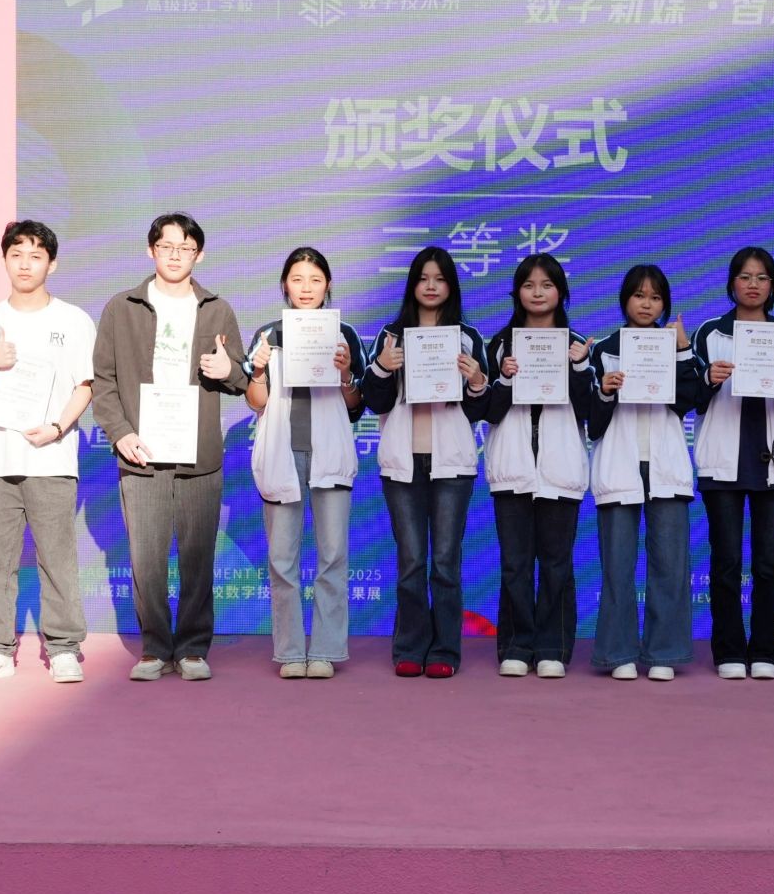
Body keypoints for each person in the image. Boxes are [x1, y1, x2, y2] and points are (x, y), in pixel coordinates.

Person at [91, 212, 249, 682]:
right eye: (166, 246)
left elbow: (242, 379)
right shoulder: (122, 307)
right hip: (141, 452)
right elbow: (103, 380)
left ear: (199, 254)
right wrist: (121, 432)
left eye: (185, 248)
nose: (175, 255)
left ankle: (194, 648)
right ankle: (155, 648)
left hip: (200, 454)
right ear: (151, 250)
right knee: (146, 558)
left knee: (198, 557)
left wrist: (229, 371)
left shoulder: (217, 309)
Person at [0, 221, 96, 685]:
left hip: (52, 457)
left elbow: (86, 384)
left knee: (57, 558)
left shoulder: (72, 320)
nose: (25, 264)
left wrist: (56, 428)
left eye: (36, 255)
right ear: (5, 260)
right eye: (16, 254)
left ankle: (64, 648)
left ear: (51, 264)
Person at [359, 246, 492, 679]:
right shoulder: (391, 335)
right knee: (412, 561)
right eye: (423, 278)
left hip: (451, 464)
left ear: (451, 285)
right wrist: (383, 367)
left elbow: (481, 409)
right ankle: (409, 648)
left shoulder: (467, 337)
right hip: (403, 462)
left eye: (439, 278)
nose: (431, 286)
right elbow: (373, 401)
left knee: (446, 563)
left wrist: (476, 381)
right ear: (412, 284)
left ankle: (445, 651)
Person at [243, 247, 367, 680]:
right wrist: (258, 371)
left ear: (328, 285)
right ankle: (291, 651)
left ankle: (327, 650)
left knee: (332, 556)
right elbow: (256, 402)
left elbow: (356, 406)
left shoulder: (344, 334)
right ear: (285, 285)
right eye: (298, 279)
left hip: (329, 454)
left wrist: (346, 374)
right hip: (283, 453)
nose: (307, 288)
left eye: (315, 280)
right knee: (282, 558)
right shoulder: (268, 334)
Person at [690, 247, 774, 680]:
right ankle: (728, 651)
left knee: (768, 564)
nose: (753, 284)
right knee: (725, 564)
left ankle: (764, 651)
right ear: (732, 283)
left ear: (772, 285)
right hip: (722, 462)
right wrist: (708, 379)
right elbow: (688, 398)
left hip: (772, 464)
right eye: (745, 276)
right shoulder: (710, 333)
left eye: (761, 277)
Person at [482, 255, 596, 679]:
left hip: (559, 467)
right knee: (514, 564)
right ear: (517, 292)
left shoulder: (577, 345)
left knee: (556, 563)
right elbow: (488, 411)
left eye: (547, 285)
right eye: (529, 285)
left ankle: (553, 648)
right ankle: (516, 645)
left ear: (561, 292)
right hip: (512, 467)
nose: (537, 292)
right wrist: (505, 378)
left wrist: (579, 368)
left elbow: (590, 412)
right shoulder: (500, 344)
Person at [588, 265, 700, 682]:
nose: (646, 304)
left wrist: (683, 351)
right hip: (620, 463)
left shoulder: (676, 347)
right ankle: (617, 652)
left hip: (665, 464)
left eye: (654, 297)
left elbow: (690, 400)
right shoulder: (604, 350)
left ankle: (664, 652)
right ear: (625, 301)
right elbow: (592, 423)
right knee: (617, 564)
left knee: (669, 563)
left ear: (664, 304)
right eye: (639, 295)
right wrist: (605, 391)